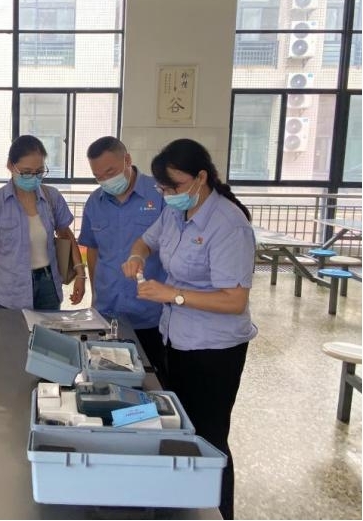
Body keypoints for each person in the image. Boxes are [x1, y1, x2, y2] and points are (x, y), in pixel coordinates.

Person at [121, 138, 257, 520]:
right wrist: (136, 256)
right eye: (163, 189)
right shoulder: (175, 212)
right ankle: (183, 505)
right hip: (176, 338)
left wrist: (173, 295)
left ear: (201, 177)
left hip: (215, 350)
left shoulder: (228, 224)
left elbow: (235, 300)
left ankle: (219, 511)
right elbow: (145, 241)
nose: (168, 195)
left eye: (174, 187)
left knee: (209, 437)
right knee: (181, 427)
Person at [77, 136, 168, 386]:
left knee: (152, 383)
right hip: (108, 312)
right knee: (109, 381)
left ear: (127, 160)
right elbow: (93, 249)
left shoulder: (160, 194)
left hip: (150, 314)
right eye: (98, 176)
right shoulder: (95, 203)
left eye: (110, 172)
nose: (106, 180)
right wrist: (95, 295)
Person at [0, 135, 85, 324]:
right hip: (11, 290)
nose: (34, 178)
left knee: (49, 338)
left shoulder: (52, 197)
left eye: (39, 172)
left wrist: (80, 274)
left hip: (48, 285)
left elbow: (66, 235)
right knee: (14, 338)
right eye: (26, 172)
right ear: (10, 166)